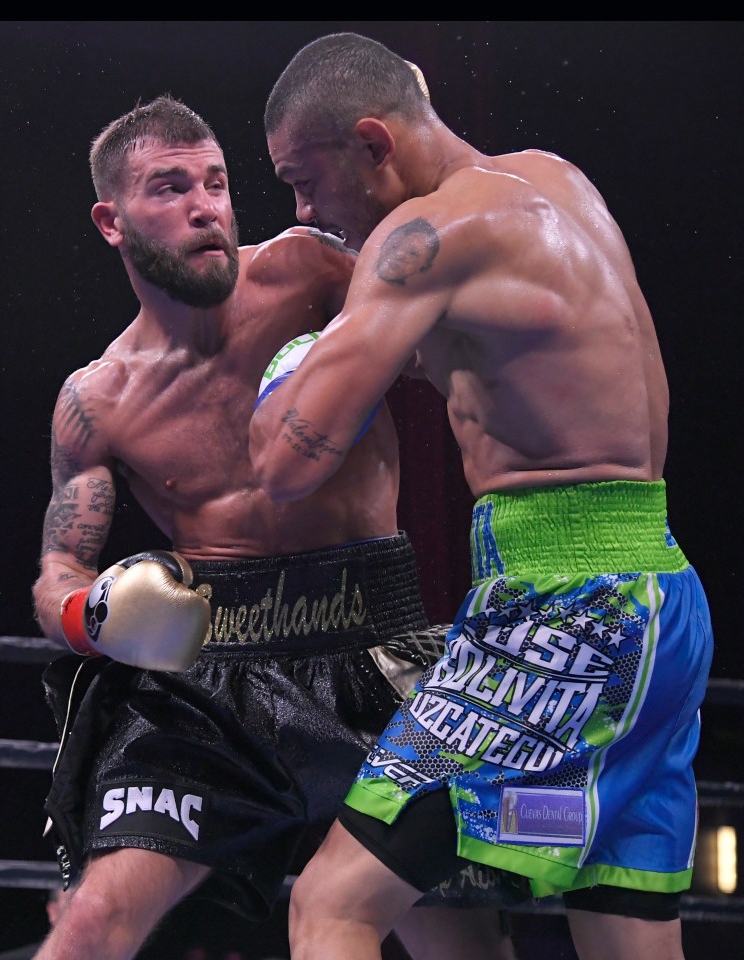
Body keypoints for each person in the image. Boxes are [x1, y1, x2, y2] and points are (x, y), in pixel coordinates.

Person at [249, 31, 715, 960]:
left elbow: (284, 465)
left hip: (562, 613)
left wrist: (291, 361)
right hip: (659, 606)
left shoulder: (422, 239)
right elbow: (503, 367)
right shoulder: (553, 182)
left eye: (304, 177)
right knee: (617, 917)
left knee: (331, 905)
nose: (302, 209)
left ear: (373, 144)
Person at [29, 94, 527, 960]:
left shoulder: (308, 274)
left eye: (216, 183)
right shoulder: (96, 399)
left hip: (381, 648)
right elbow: (56, 571)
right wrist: (93, 615)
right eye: (170, 186)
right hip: (214, 681)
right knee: (90, 926)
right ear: (112, 221)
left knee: (463, 946)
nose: (205, 206)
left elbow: (446, 334)